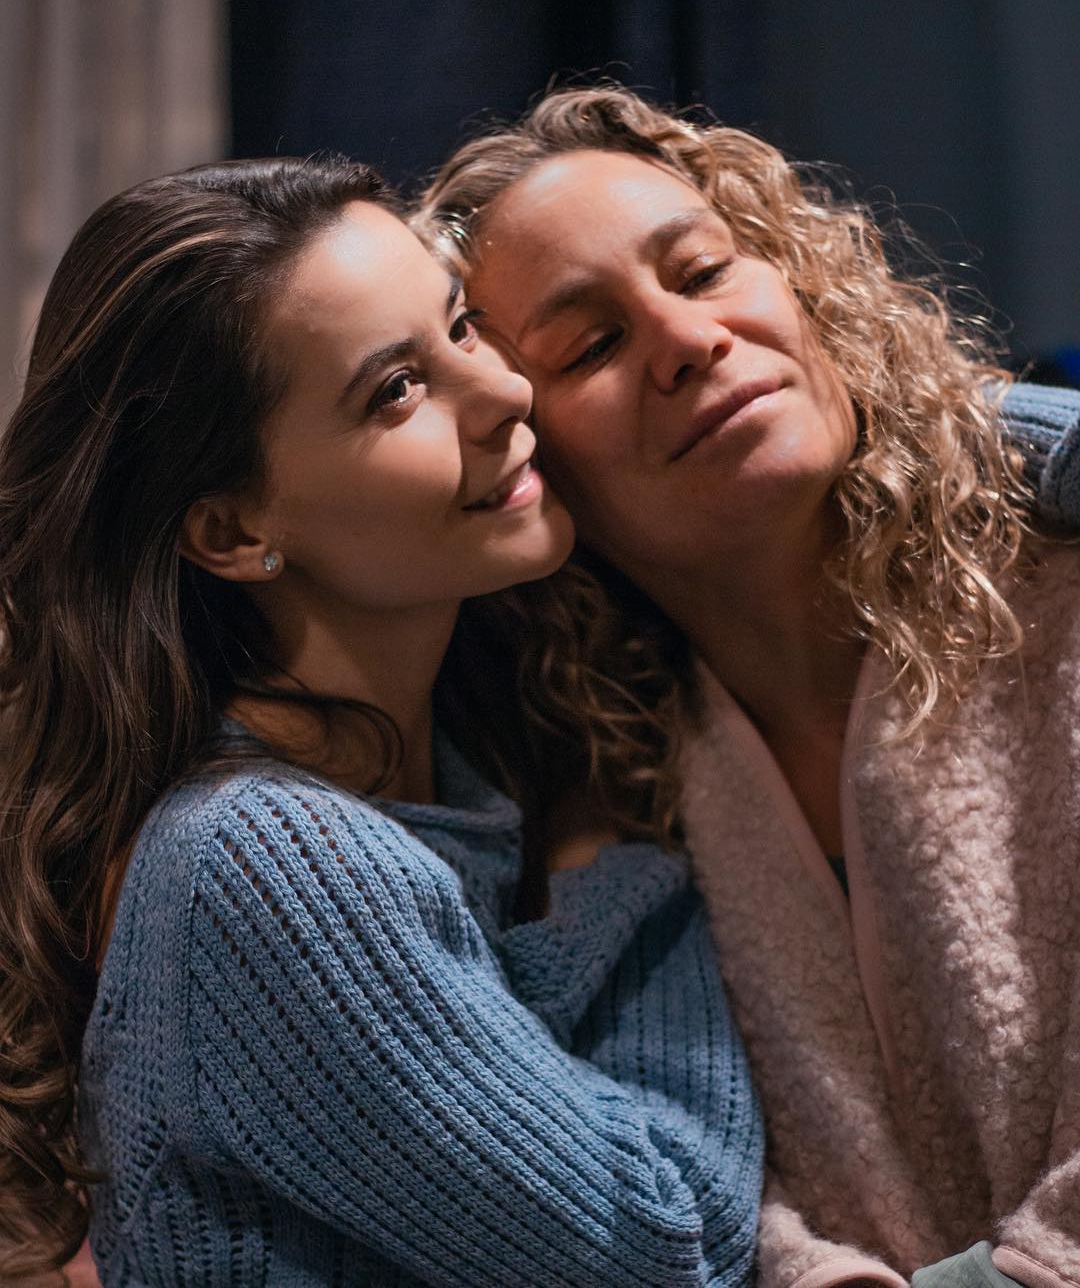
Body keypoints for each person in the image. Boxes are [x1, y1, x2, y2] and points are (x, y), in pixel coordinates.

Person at [0, 156, 764, 1285]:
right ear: (232, 531)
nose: (503, 394)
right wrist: (613, 859)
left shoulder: (444, 780)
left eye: (462, 328)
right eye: (396, 390)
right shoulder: (261, 863)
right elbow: (672, 1245)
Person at [417, 85, 1080, 1287]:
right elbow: (665, 1193)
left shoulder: (1064, 599)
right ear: (520, 453)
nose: (688, 339)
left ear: (803, 283)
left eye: (705, 271)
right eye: (592, 346)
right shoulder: (583, 791)